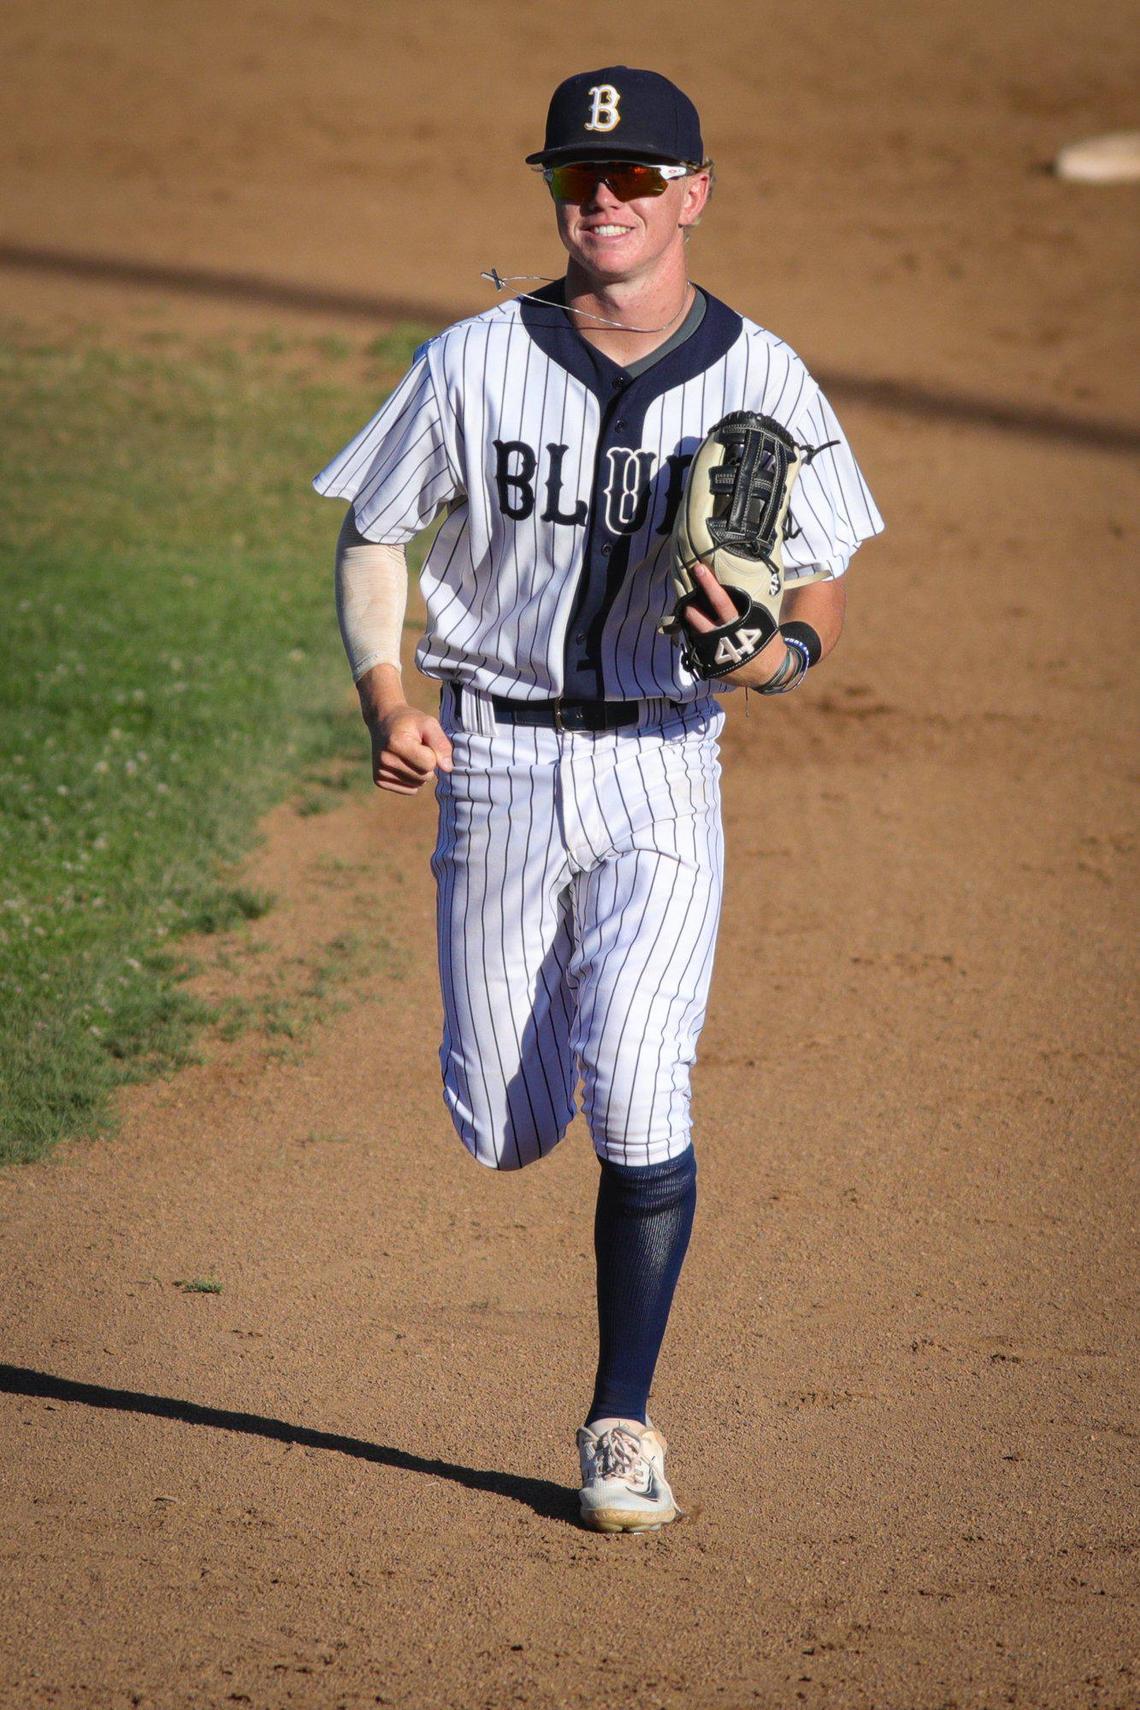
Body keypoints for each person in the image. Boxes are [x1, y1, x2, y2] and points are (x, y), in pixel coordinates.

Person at [314, 66, 883, 1532]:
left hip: (660, 758)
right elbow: (377, 535)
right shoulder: (471, 361)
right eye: (581, 182)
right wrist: (389, 697)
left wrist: (780, 647)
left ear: (693, 193)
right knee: (503, 1124)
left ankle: (621, 1420)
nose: (607, 202)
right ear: (558, 198)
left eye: (636, 180)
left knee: (642, 1084)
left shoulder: (766, 377)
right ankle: (572, 1022)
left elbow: (817, 571)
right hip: (494, 759)